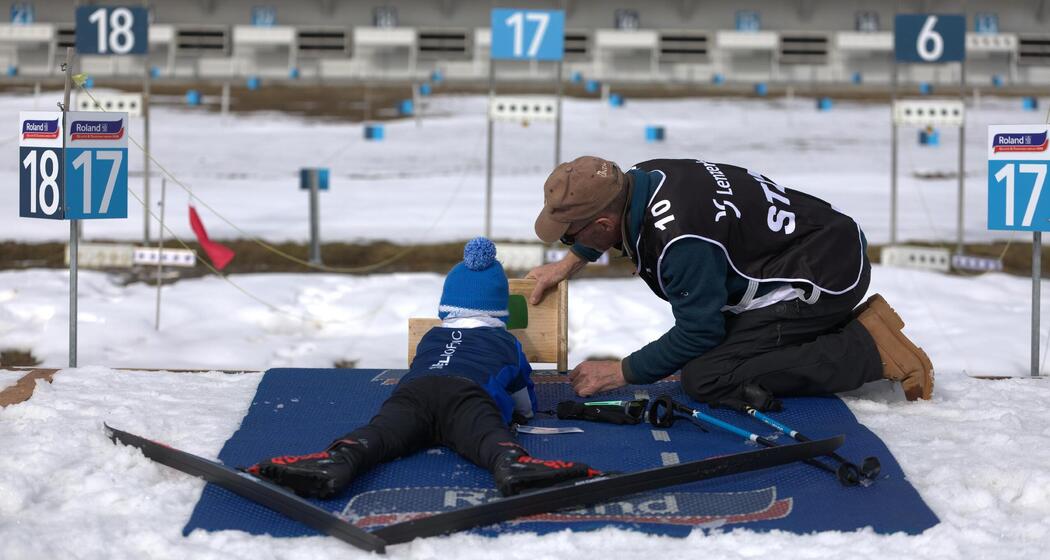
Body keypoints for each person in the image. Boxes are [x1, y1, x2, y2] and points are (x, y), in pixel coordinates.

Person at [526, 156, 934, 405]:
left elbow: (698, 333)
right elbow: (614, 223)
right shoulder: (645, 175)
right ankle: (824, 330)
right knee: (719, 349)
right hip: (824, 239)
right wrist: (568, 264)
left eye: (569, 237)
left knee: (708, 377)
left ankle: (869, 349)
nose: (568, 244)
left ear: (602, 223)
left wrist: (621, 372)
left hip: (824, 279)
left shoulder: (680, 243)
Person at [248, 237, 602, 499]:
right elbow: (523, 401)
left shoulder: (432, 336)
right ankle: (512, 465)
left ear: (447, 307)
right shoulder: (506, 343)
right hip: (467, 396)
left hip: (413, 393)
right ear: (499, 311)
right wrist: (523, 414)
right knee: (487, 438)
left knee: (381, 434)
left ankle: (339, 458)